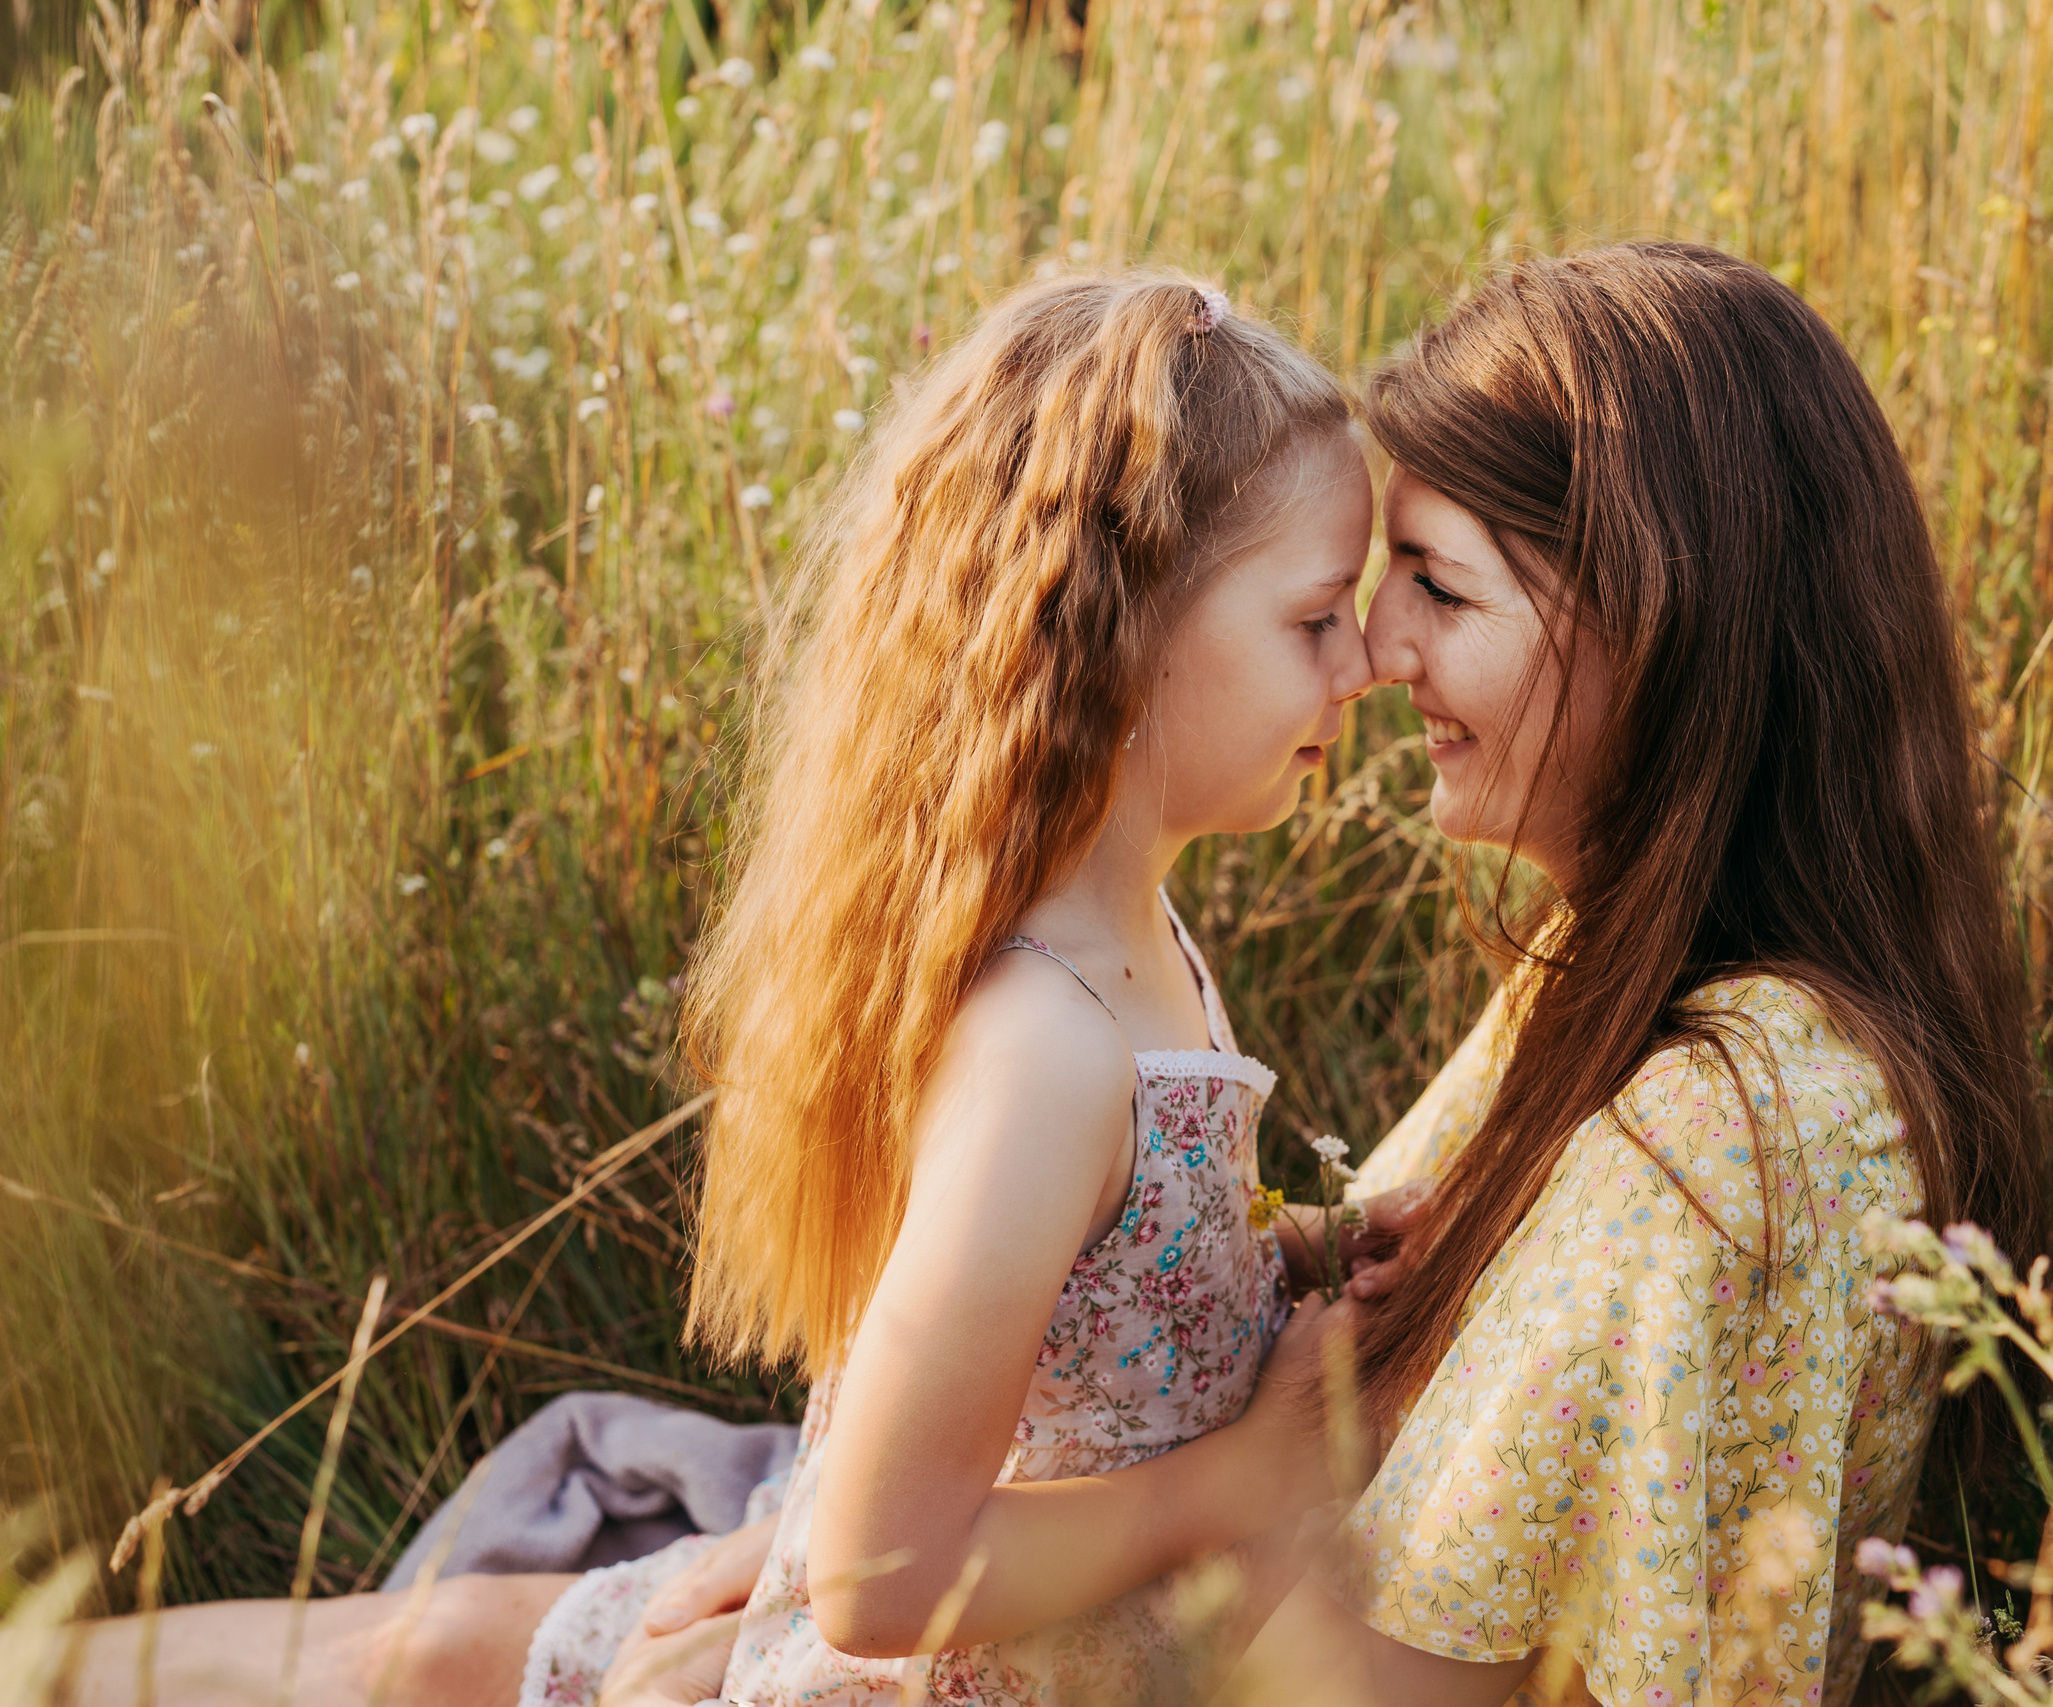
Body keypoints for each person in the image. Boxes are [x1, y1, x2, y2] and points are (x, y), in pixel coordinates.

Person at [67, 271, 1376, 1707]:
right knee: (434, 1660)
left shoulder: (1132, 937)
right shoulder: (1049, 1050)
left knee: (440, 1654)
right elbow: (883, 1578)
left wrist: (1308, 1246)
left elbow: (1104, 1291)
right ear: (1130, 631)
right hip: (956, 1666)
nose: (1365, 662)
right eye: (1316, 619)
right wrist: (1222, 1490)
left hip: (1064, 1608)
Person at [1232, 242, 2049, 1707]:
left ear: (1666, 628)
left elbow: (1357, 1686)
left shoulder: (1720, 1124)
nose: (1376, 649)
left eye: (1440, 587)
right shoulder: (1630, 975)